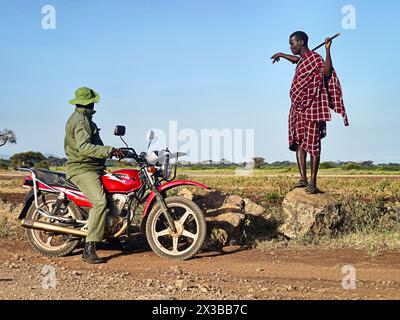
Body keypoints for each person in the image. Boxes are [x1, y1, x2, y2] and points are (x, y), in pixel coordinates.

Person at [271, 31, 349, 193]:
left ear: (301, 42)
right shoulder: (303, 60)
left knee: (313, 144)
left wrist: (328, 50)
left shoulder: (315, 58)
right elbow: (297, 60)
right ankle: (303, 179)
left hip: (312, 107)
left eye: (292, 44)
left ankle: (313, 182)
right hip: (297, 108)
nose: (290, 47)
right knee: (300, 142)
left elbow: (326, 72)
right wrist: (281, 54)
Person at [64, 87, 124, 264]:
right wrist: (109, 150)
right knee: (100, 202)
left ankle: (110, 234)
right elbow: (84, 148)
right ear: (90, 102)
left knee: (113, 198)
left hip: (92, 167)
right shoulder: (81, 121)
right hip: (82, 169)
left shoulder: (84, 118)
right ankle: (89, 248)